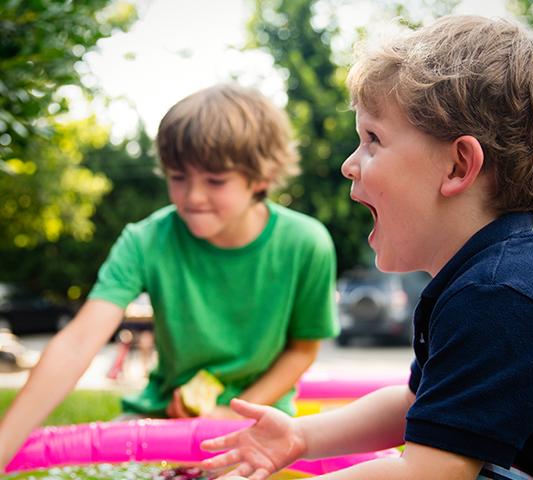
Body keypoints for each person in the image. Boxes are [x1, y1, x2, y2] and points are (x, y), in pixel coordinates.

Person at [198, 15, 533, 480]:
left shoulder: (503, 297)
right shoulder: (486, 280)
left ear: (457, 166)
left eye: (373, 139)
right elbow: (415, 404)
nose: (350, 165)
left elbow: (429, 473)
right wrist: (302, 437)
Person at [0, 83, 339, 469]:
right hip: (163, 414)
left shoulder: (306, 243)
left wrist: (231, 411)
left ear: (262, 177)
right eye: (178, 177)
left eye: (215, 180)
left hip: (259, 418)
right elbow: (78, 343)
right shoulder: (145, 240)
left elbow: (302, 350)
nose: (192, 196)